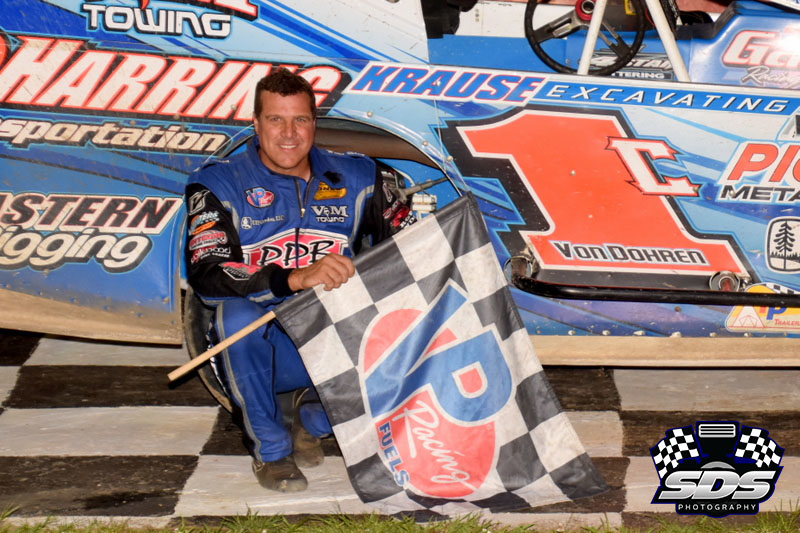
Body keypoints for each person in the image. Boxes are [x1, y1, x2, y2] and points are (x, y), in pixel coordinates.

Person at [184, 68, 415, 493]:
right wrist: (293, 278)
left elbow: (413, 250)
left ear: (314, 123)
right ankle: (272, 452)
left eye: (300, 120)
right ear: (256, 124)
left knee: (411, 310)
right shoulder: (216, 182)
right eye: (276, 119)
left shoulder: (362, 176)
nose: (289, 134)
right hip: (266, 349)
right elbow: (207, 274)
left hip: (335, 341)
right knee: (235, 316)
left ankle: (313, 418)